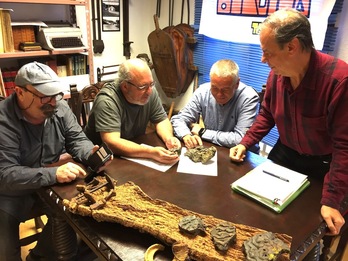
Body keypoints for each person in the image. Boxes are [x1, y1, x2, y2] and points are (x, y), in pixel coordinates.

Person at [229, 9, 347, 236]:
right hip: (286, 152)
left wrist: (332, 199)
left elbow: (344, 147)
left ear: (291, 47)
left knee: (307, 226)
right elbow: (267, 115)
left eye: (268, 53)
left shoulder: (339, 80)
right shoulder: (277, 75)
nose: (263, 60)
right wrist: (245, 143)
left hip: (323, 163)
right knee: (255, 206)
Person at [0, 61, 111, 260]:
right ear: (19, 92)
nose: (53, 102)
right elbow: (6, 173)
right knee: (5, 250)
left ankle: (39, 256)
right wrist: (53, 173)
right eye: (44, 97)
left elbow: (76, 139)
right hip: (11, 193)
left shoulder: (57, 106)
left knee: (85, 220)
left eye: (55, 95)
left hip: (50, 186)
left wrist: (90, 154)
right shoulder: (4, 121)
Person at [84, 58, 181, 164]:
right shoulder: (107, 100)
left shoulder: (149, 92)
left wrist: (169, 138)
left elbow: (161, 120)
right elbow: (111, 142)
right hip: (101, 160)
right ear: (125, 86)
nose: (149, 91)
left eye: (151, 84)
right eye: (143, 87)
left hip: (132, 153)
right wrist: (151, 152)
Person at [171, 59, 260, 151]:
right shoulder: (203, 91)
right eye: (214, 88)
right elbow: (178, 119)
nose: (219, 94)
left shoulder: (249, 97)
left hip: (244, 156)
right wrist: (186, 135)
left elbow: (241, 139)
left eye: (225, 89)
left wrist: (202, 132)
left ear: (236, 84)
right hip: (214, 150)